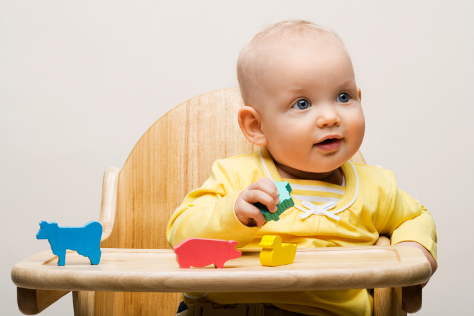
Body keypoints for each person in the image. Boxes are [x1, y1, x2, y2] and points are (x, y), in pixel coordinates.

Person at [167, 20, 437, 316]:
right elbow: (181, 234)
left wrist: (411, 250)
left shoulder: (377, 188)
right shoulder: (236, 178)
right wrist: (233, 213)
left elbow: (416, 217)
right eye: (303, 103)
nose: (330, 117)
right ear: (256, 126)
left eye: (343, 97)